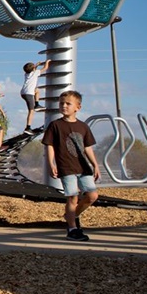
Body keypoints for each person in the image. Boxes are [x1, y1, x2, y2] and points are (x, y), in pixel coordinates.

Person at [42, 90, 100, 242]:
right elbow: (49, 146)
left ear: (77, 107)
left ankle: (72, 216)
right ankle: (72, 229)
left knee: (92, 196)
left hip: (83, 167)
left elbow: (87, 147)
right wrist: (51, 163)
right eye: (61, 103)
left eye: (68, 103)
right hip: (66, 167)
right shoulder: (55, 125)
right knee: (72, 197)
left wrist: (95, 164)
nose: (64, 106)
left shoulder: (83, 126)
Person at [20, 60, 51, 133]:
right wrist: (47, 62)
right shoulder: (35, 73)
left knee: (37, 90)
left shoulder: (27, 74)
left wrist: (36, 65)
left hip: (23, 93)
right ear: (33, 68)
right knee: (31, 111)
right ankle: (28, 128)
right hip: (29, 93)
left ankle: (37, 105)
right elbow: (45, 68)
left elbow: (33, 70)